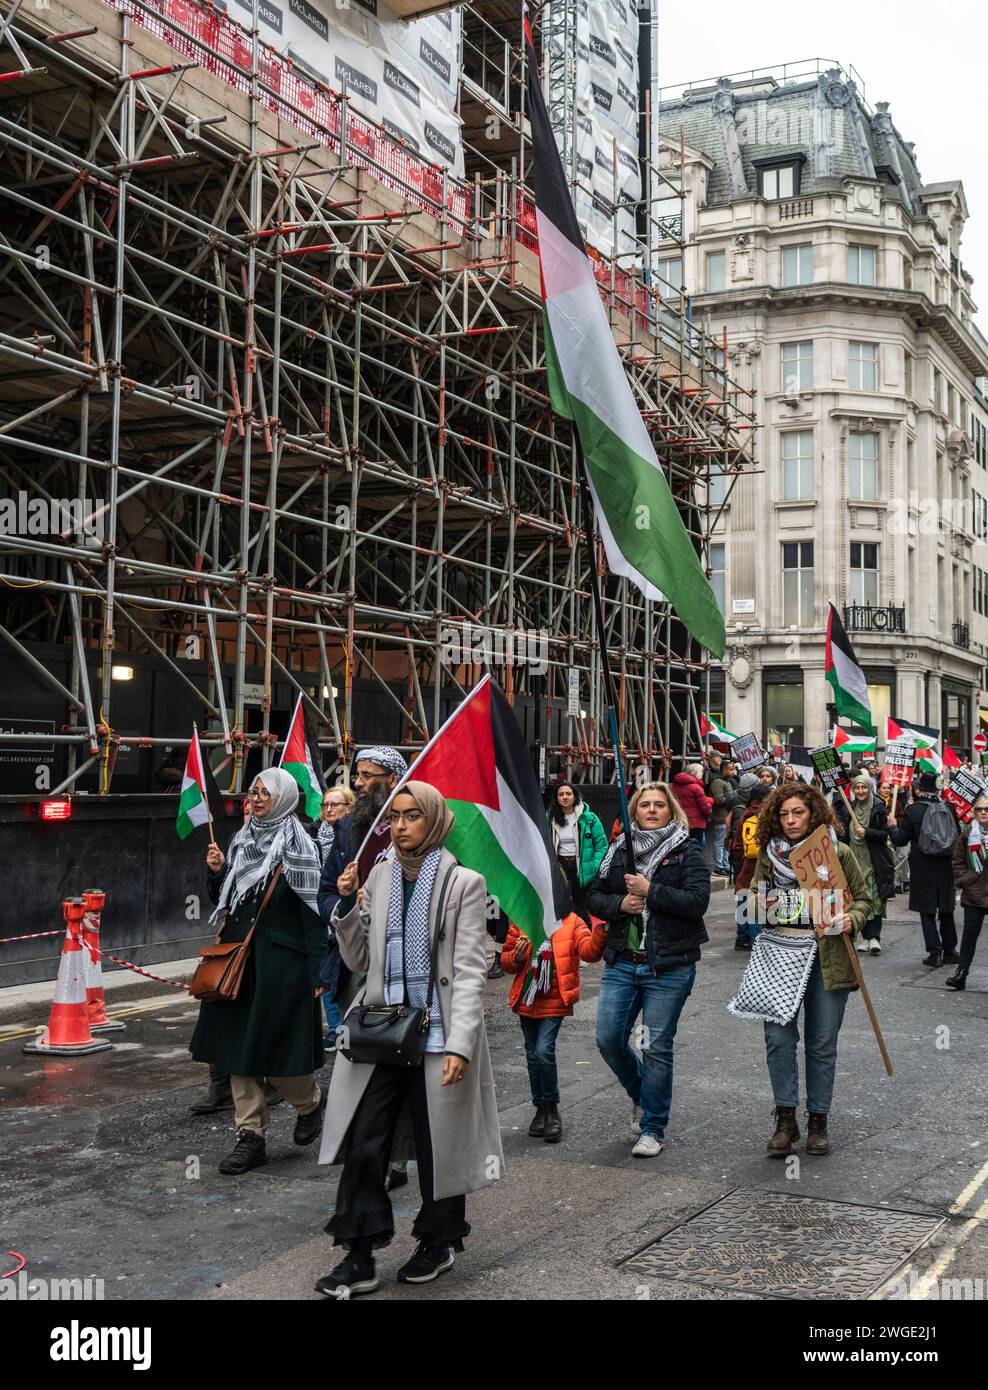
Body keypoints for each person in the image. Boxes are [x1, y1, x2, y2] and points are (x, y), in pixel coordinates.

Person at [316, 782, 502, 1298]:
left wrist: (461, 1044)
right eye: (394, 816)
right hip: (380, 1031)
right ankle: (359, 1256)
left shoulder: (465, 883)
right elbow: (357, 961)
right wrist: (348, 906)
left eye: (412, 816)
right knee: (364, 1143)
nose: (399, 826)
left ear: (435, 821)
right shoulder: (377, 876)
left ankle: (437, 1242)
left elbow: (468, 970)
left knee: (437, 1144)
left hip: (438, 1034)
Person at [190, 767, 327, 1174]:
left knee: (276, 1048)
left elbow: (313, 914)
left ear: (284, 797)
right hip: (238, 962)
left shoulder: (302, 847)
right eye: (254, 792)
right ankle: (251, 1136)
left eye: (265, 793)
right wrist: (216, 871)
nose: (257, 798)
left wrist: (319, 972)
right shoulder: (241, 839)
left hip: (282, 964)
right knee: (237, 1051)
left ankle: (310, 1103)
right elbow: (228, 899)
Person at [740, 783, 870, 1158]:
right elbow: (750, 901)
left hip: (827, 957)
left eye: (798, 812)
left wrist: (852, 920)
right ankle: (785, 1119)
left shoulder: (839, 853)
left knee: (821, 1042)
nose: (791, 820)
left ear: (813, 813)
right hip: (779, 956)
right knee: (778, 1041)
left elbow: (864, 900)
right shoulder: (769, 855)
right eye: (784, 814)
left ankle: (818, 1121)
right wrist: (762, 903)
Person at [586, 783, 710, 1158]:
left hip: (669, 966)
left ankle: (653, 1127)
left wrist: (650, 889)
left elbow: (697, 902)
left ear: (671, 810)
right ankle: (643, 1094)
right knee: (608, 1038)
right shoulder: (619, 850)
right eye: (645, 805)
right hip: (624, 961)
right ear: (635, 812)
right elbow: (593, 895)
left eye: (659, 805)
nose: (652, 810)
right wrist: (620, 903)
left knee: (655, 1045)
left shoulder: (686, 849)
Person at [500, 899, 607, 1142]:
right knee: (531, 1054)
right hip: (528, 998)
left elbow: (589, 952)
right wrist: (516, 958)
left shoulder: (572, 921)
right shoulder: (523, 918)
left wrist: (602, 929)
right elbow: (506, 962)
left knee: (543, 1050)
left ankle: (551, 1107)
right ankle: (539, 1108)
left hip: (555, 999)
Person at [888, 773, 961, 967]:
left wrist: (893, 827)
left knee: (926, 910)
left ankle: (934, 953)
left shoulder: (913, 810)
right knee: (946, 909)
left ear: (919, 790)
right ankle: (951, 950)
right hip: (945, 865)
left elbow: (900, 840)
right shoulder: (949, 808)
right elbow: (957, 835)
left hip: (922, 866)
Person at [834, 773, 894, 956]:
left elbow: (885, 836)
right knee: (859, 900)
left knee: (875, 900)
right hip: (854, 863)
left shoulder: (878, 808)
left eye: (864, 787)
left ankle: (874, 937)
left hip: (874, 863)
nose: (860, 791)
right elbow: (842, 832)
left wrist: (867, 833)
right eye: (857, 788)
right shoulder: (849, 808)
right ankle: (865, 937)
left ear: (870, 789)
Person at [546, 781, 608, 923]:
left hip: (581, 866)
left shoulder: (589, 818)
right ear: (557, 798)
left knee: (581, 907)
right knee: (560, 905)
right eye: (561, 794)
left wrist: (594, 865)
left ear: (575, 796)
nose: (565, 797)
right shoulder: (550, 817)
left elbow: (602, 846)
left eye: (568, 794)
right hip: (560, 865)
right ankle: (564, 939)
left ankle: (584, 939)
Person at [947, 794, 988, 989]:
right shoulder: (968, 832)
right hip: (974, 893)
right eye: (979, 809)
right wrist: (964, 880)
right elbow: (957, 860)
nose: (983, 812)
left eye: (986, 809)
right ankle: (961, 974)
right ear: (973, 812)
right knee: (969, 935)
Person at [731, 781, 769, 946]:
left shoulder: (744, 816)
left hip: (746, 864)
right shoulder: (768, 817)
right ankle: (757, 942)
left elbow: (737, 845)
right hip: (763, 865)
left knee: (743, 897)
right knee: (757, 903)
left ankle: (742, 937)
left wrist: (739, 864)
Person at [671, 763, 713, 848]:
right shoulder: (696, 788)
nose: (702, 774)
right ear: (695, 773)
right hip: (696, 824)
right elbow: (704, 807)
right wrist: (710, 802)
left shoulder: (672, 787)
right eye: (701, 772)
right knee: (696, 848)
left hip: (678, 822)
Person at [312, 785, 355, 864]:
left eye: (334, 805)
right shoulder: (311, 832)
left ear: (349, 808)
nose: (328, 809)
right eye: (325, 805)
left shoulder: (356, 834)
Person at [708, 758, 734, 875]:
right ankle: (718, 866)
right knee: (720, 842)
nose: (733, 772)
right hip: (720, 817)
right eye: (730, 769)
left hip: (727, 817)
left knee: (725, 843)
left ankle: (725, 865)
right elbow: (718, 800)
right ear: (723, 770)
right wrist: (733, 799)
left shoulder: (727, 782)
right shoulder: (717, 782)